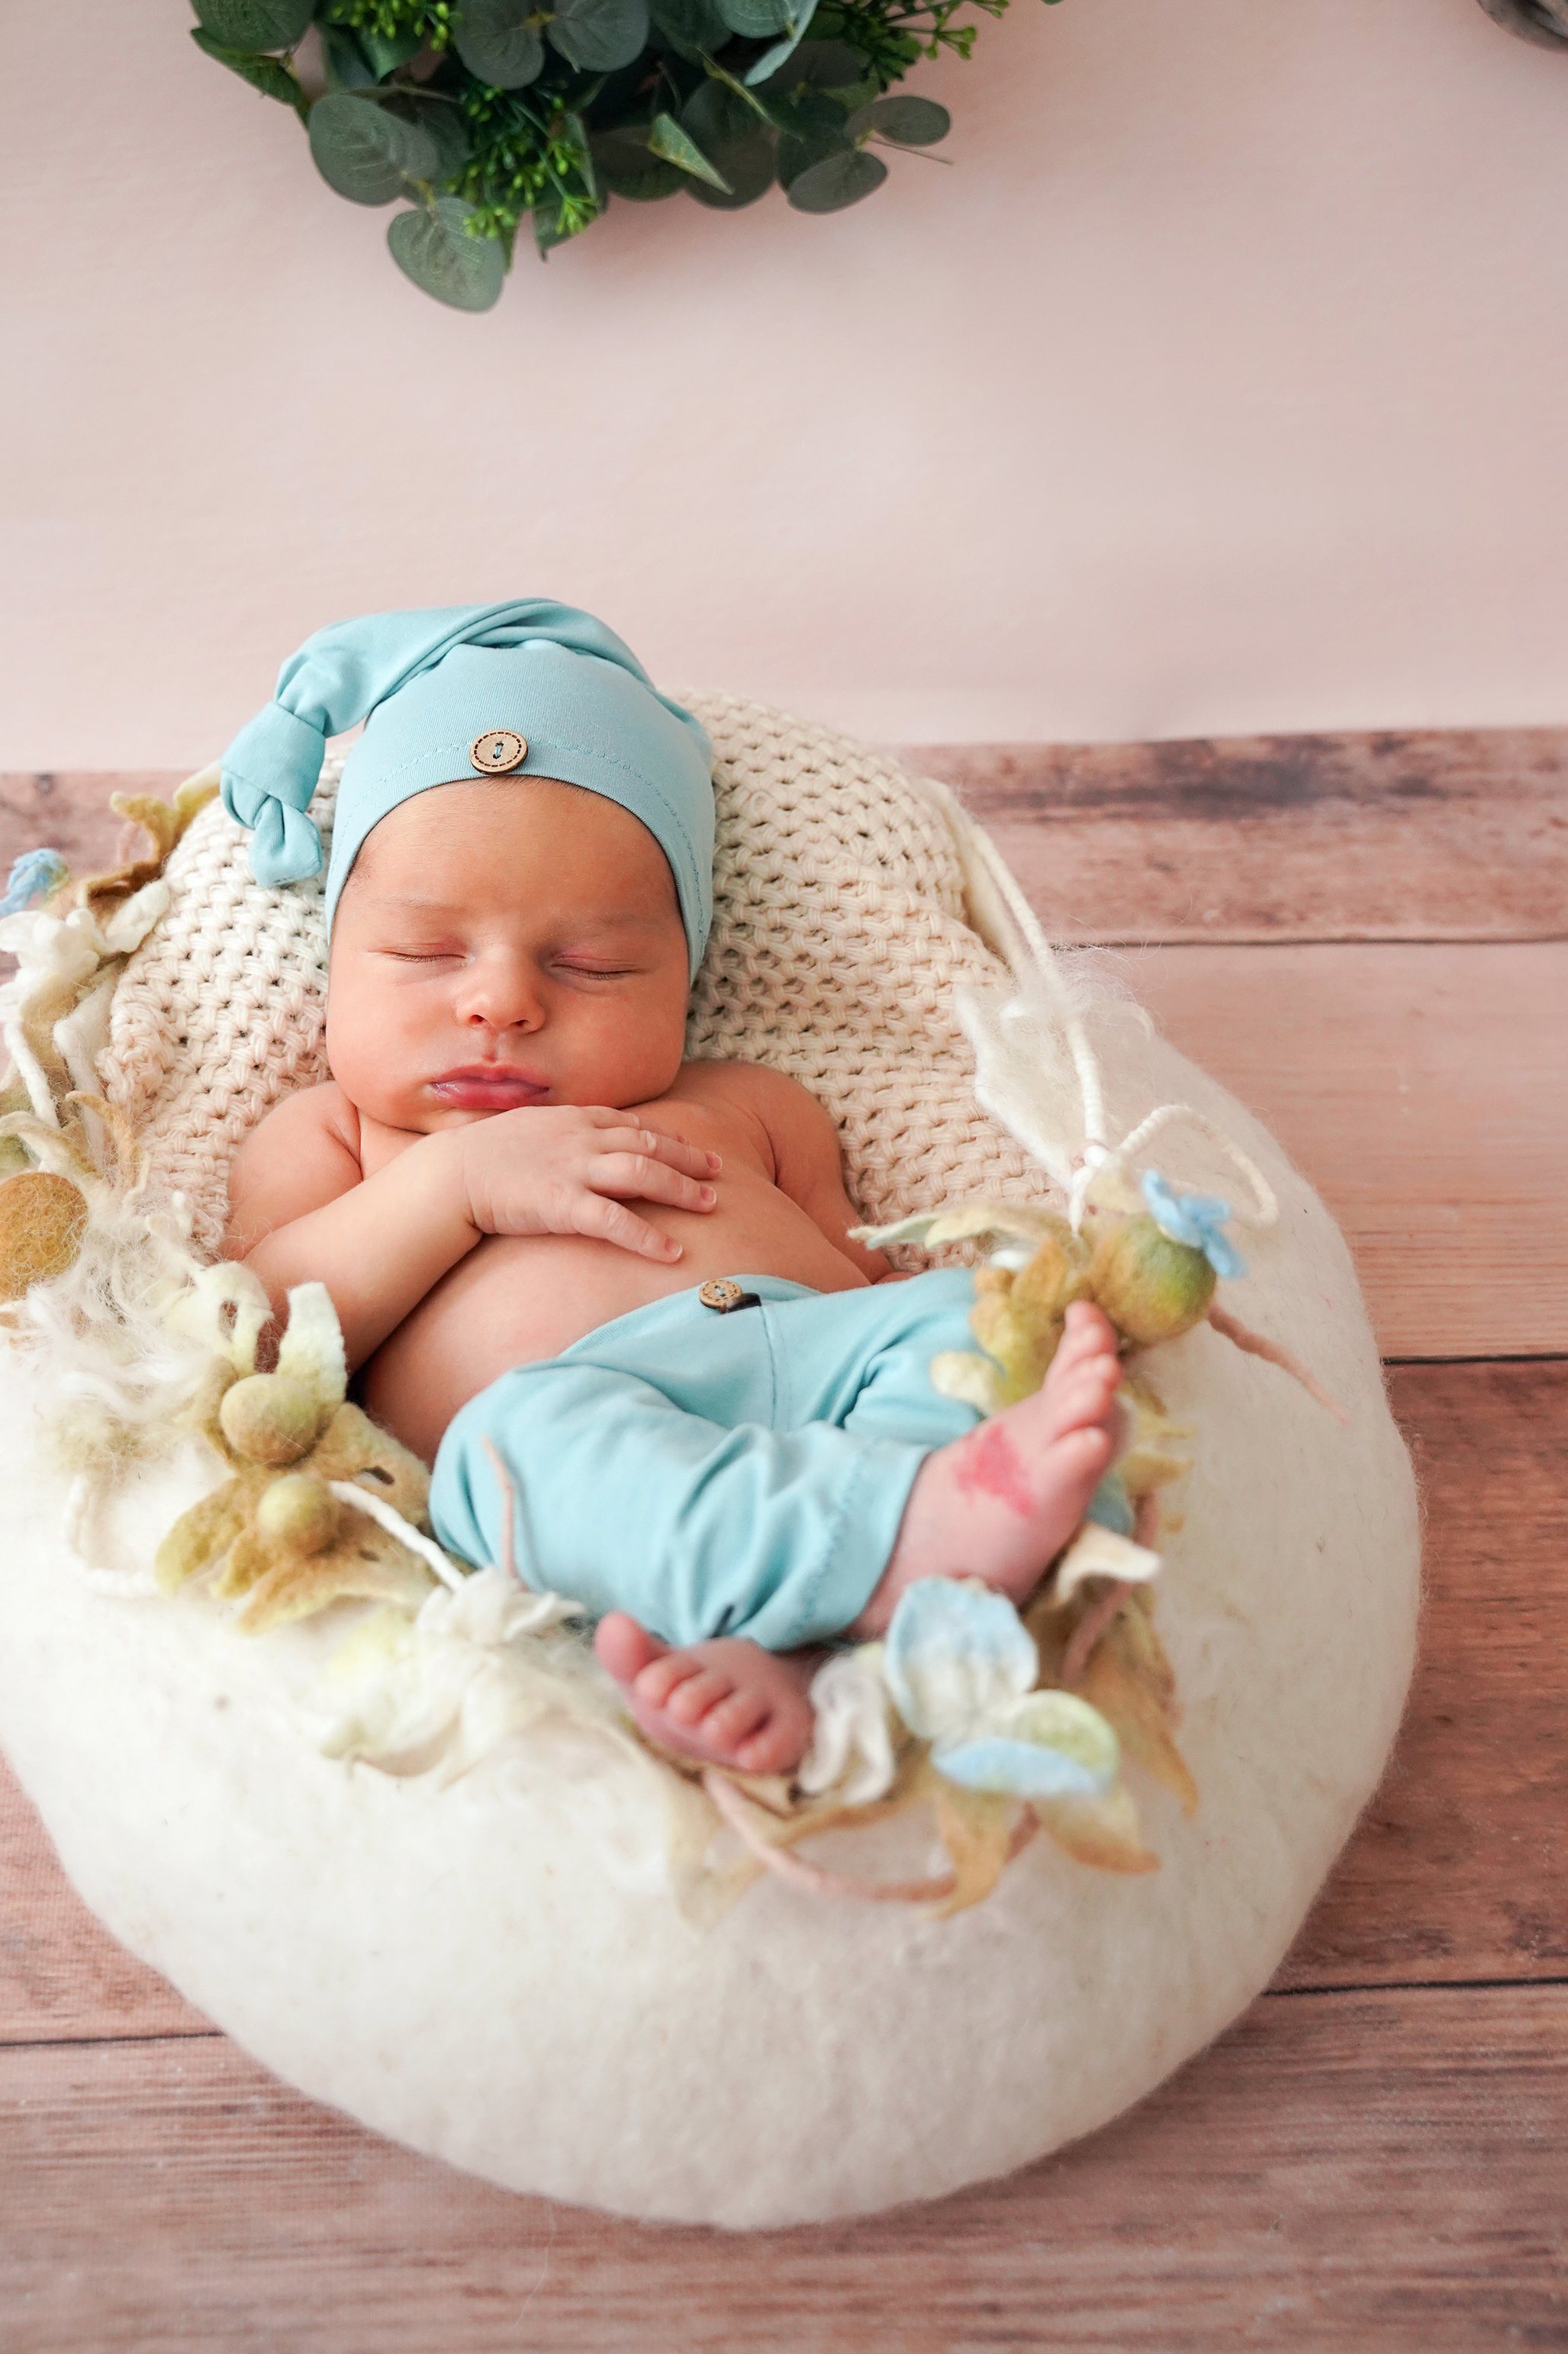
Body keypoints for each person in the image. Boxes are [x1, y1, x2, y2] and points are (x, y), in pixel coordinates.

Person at [220, 601, 1126, 1778]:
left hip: (810, 1372)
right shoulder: (337, 1134)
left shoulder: (749, 1099)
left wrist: (933, 1305)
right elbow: (256, 1334)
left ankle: (889, 1568)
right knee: (513, 1456)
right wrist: (454, 1184)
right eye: (427, 953)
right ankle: (873, 1574)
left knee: (965, 1324)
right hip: (580, 1422)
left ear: (684, 978)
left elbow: (860, 1268)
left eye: (590, 964)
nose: (500, 1000)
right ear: (334, 966)